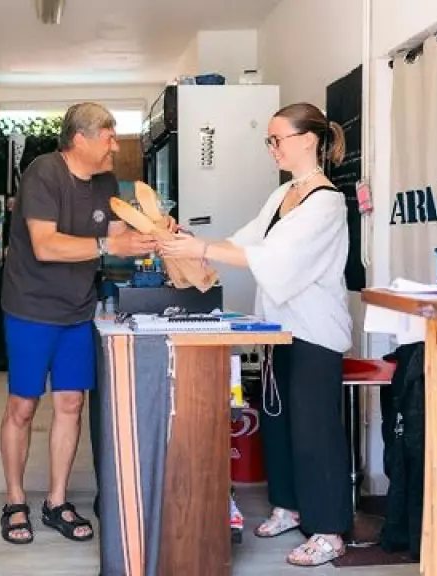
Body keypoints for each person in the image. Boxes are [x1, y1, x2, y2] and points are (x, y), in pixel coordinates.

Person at [161, 102, 353, 567]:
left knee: (314, 430)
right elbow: (244, 241)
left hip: (315, 331)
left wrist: (202, 248)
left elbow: (276, 258)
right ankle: (289, 506)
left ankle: (329, 530)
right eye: (269, 140)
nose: (272, 148)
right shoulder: (284, 193)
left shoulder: (326, 202)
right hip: (280, 329)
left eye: (277, 139)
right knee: (278, 423)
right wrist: (191, 244)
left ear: (309, 140)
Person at [0, 102, 161, 545]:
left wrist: (156, 233)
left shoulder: (105, 181)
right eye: (108, 137)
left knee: (71, 403)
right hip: (31, 308)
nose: (115, 146)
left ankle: (56, 501)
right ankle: (15, 500)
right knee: (23, 407)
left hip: (77, 309)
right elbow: (46, 245)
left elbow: (115, 232)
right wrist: (109, 246)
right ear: (79, 140)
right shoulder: (44, 173)